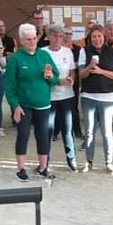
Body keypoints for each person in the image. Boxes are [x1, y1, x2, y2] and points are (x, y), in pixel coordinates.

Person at [4, 22, 59, 181]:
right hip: (24, 105)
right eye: (28, 39)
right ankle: (21, 168)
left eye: (34, 38)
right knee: (23, 135)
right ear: (22, 40)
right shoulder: (15, 59)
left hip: (43, 103)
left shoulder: (44, 55)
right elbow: (9, 85)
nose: (32, 42)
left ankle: (43, 167)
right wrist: (15, 105)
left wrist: (50, 76)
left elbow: (55, 78)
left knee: (43, 135)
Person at [78, 25, 113, 174]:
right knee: (89, 131)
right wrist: (90, 66)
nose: (97, 39)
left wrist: (101, 71)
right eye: (94, 37)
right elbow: (81, 75)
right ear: (90, 38)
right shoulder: (84, 51)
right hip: (88, 96)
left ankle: (108, 162)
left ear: (104, 37)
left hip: (107, 97)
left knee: (106, 131)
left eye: (99, 36)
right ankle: (88, 161)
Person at [43, 24, 78, 171]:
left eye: (60, 36)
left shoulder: (67, 52)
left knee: (67, 129)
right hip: (49, 96)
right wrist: (58, 81)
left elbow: (72, 70)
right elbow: (43, 75)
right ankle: (45, 161)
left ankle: (71, 158)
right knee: (48, 130)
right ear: (48, 37)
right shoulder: (43, 52)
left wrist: (71, 79)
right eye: (55, 36)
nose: (58, 39)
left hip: (66, 96)